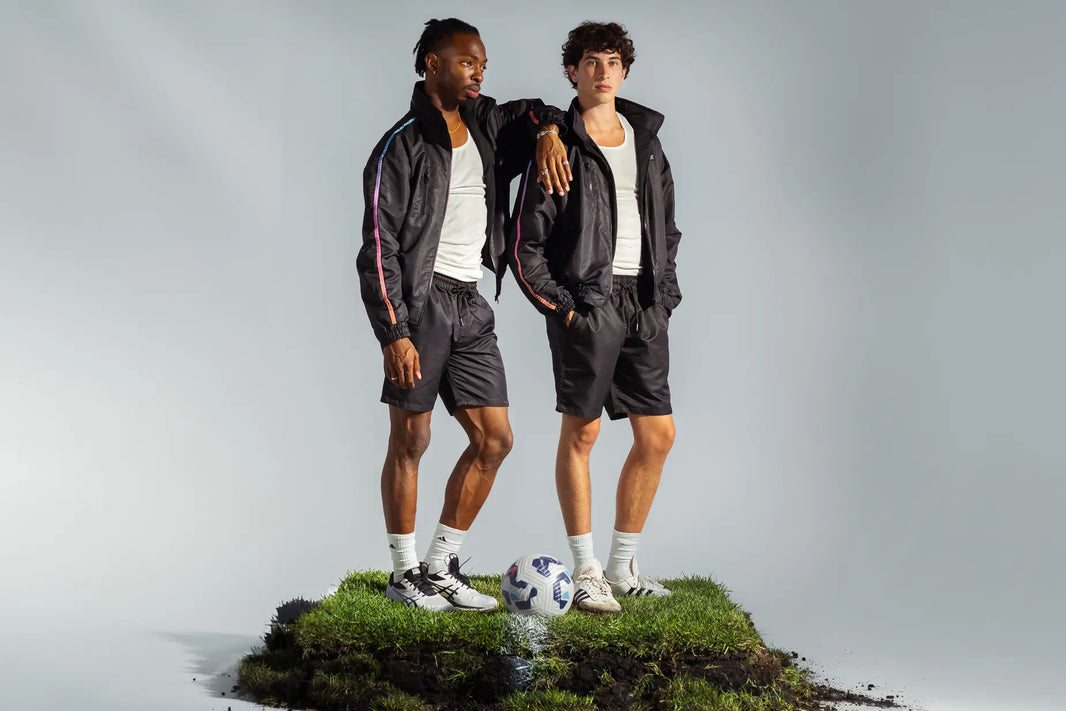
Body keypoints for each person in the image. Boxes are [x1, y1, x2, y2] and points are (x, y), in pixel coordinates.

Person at [357, 18, 567, 611]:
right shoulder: (400, 143)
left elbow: (537, 108)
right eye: (467, 63)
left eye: (482, 65)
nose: (478, 73)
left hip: (472, 302)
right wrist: (393, 331)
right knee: (412, 439)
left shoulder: (485, 122)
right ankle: (403, 576)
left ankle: (441, 563)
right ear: (431, 64)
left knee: (494, 439)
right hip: (420, 305)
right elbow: (378, 247)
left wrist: (549, 129)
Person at [509, 21, 682, 613]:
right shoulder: (558, 143)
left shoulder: (648, 140)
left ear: (624, 71)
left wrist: (665, 297)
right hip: (588, 301)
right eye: (591, 61)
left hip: (643, 301)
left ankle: (622, 565)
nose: (602, 71)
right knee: (582, 432)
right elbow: (525, 242)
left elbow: (669, 225)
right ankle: (585, 571)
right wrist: (565, 309)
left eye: (612, 61)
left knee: (657, 435)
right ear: (572, 71)